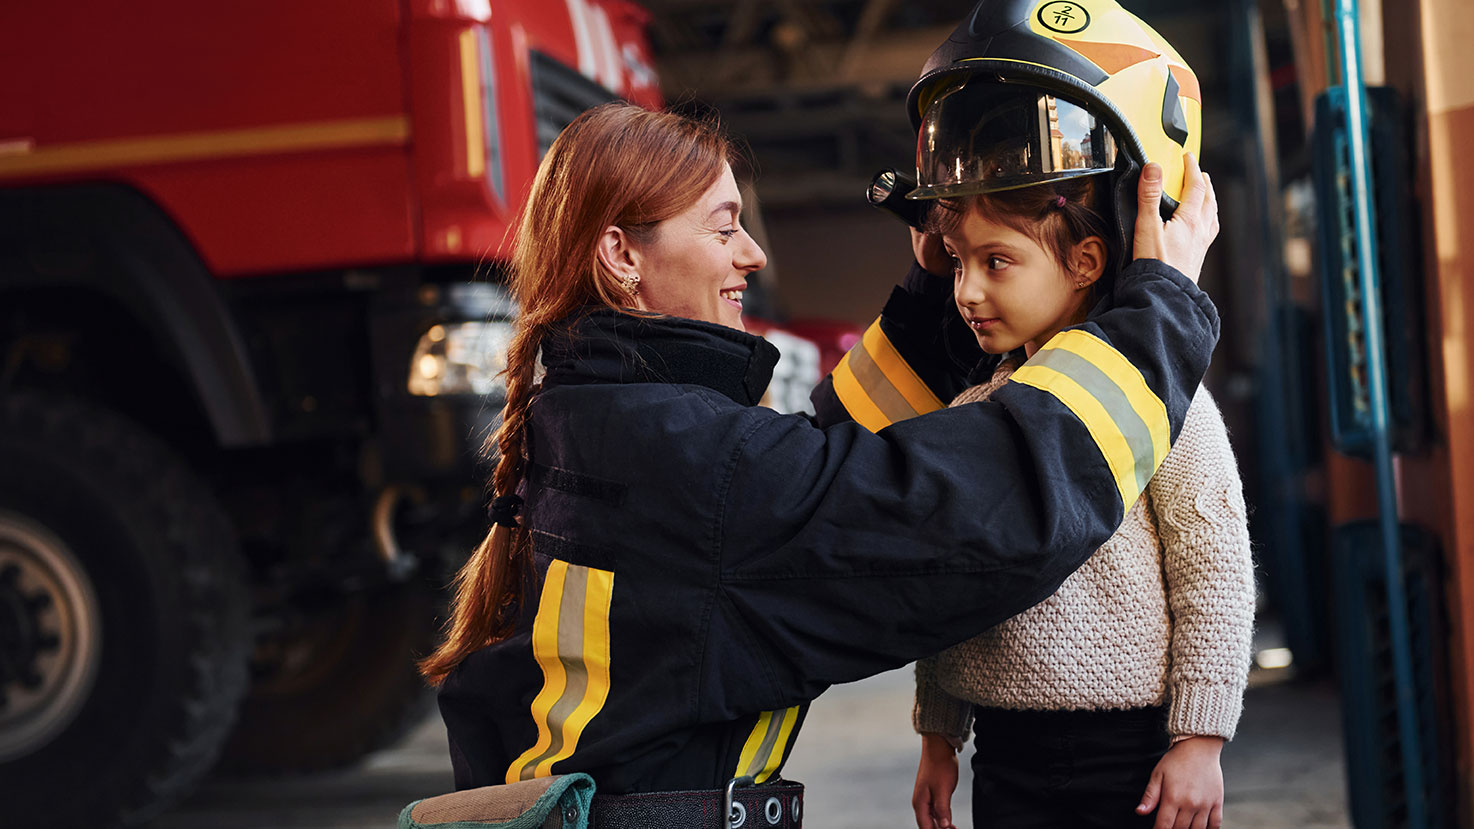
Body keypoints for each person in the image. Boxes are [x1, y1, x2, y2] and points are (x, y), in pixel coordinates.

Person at [416, 94, 1218, 825]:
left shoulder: (607, 416)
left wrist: (936, 295)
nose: (754, 253)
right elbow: (972, 513)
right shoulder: (681, 455)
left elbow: (810, 473)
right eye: (724, 225)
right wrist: (1161, 312)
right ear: (621, 254)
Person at [878, 4, 1251, 829]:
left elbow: (1214, 569)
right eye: (960, 263)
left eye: (997, 262)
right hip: (1004, 754)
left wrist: (1201, 739)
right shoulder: (979, 408)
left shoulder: (1168, 411)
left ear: (1087, 258)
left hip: (1134, 756)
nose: (966, 290)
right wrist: (940, 734)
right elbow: (955, 583)